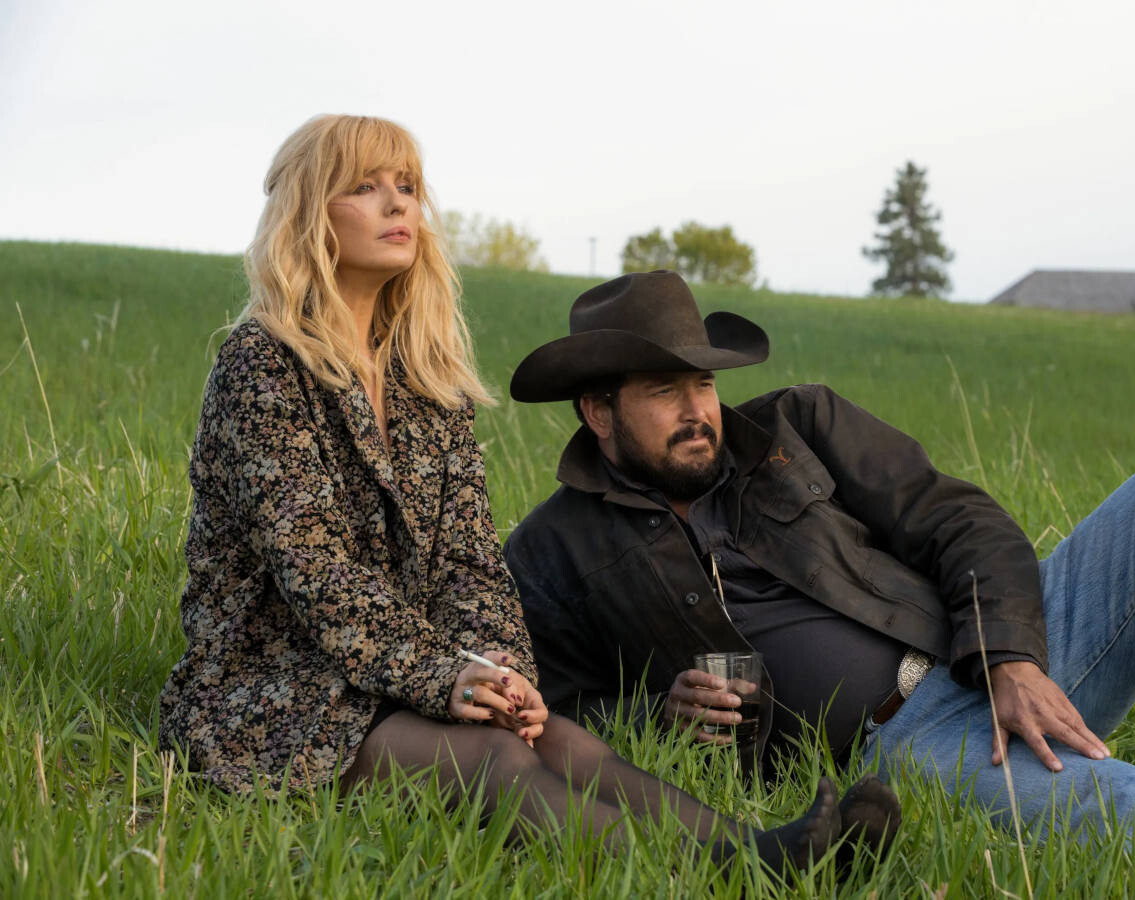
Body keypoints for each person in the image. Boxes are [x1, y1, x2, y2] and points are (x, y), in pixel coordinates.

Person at [156, 116, 902, 872]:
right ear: (310, 212)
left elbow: (470, 564)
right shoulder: (263, 365)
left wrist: (504, 670)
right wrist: (448, 676)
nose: (397, 207)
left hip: (411, 667)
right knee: (493, 758)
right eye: (365, 187)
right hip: (280, 688)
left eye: (407, 188)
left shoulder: (427, 379)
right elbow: (315, 572)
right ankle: (733, 876)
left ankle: (760, 850)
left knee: (566, 743)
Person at [504, 269, 1135, 892]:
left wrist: (1010, 658)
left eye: (705, 382)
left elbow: (962, 522)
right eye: (666, 392)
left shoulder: (795, 426)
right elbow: (555, 711)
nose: (701, 411)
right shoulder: (552, 549)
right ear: (599, 411)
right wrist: (661, 712)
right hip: (910, 740)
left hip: (995, 653)